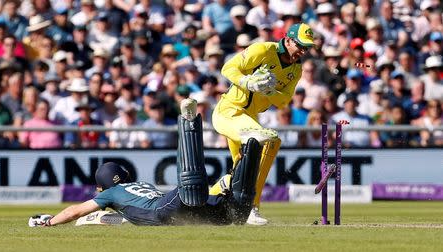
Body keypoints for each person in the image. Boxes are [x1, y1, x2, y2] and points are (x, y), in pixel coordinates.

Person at [28, 99, 263, 227]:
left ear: (105, 184)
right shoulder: (137, 185)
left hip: (164, 210)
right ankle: (251, 148)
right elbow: (121, 218)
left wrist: (49, 221)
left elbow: (76, 210)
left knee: (190, 188)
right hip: (177, 211)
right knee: (235, 213)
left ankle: (189, 122)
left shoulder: (111, 194)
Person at [212, 23, 315, 225]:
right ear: (287, 40)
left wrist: (269, 91)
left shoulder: (296, 68)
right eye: (300, 45)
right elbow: (227, 68)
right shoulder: (264, 49)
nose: (303, 51)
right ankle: (252, 207)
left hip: (249, 119)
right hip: (229, 111)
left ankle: (198, 201)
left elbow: (284, 101)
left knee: (240, 176)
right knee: (268, 140)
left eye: (307, 48)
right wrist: (248, 82)